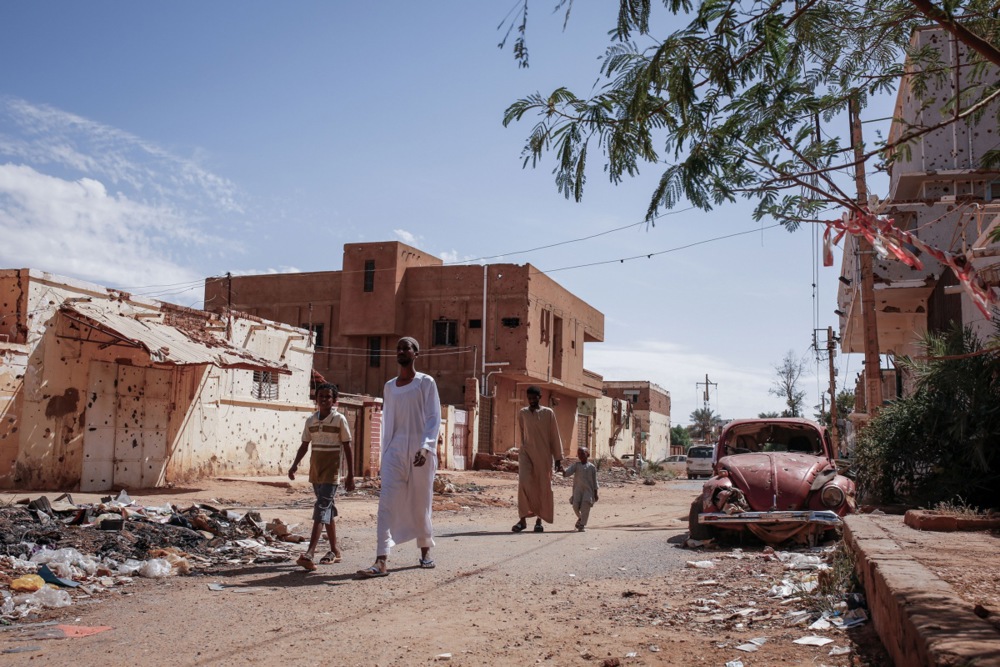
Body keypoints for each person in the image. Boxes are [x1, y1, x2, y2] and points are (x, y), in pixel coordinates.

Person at [358, 337, 441, 577]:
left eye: (407, 347)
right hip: (394, 450)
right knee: (386, 504)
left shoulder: (426, 382)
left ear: (416, 353)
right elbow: (388, 422)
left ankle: (425, 550)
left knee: (421, 502)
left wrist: (426, 447)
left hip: (421, 451)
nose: (402, 350)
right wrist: (385, 454)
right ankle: (381, 559)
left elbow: (434, 417)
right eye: (399, 348)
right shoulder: (389, 386)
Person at [288, 383, 355, 571]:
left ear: (334, 400)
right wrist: (294, 466)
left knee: (321, 508)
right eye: (321, 397)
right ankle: (335, 550)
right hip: (316, 472)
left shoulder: (339, 419)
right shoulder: (310, 421)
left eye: (328, 397)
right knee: (327, 510)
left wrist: (350, 475)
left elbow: (347, 447)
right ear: (316, 399)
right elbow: (304, 446)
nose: (324, 400)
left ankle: (309, 553)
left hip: (331, 473)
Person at [512, 385, 563, 533]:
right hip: (526, 454)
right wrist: (522, 450)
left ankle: (539, 520)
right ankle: (522, 520)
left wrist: (558, 458)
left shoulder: (548, 413)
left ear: (540, 397)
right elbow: (522, 434)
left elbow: (554, 435)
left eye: (534, 398)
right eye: (529, 398)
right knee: (524, 483)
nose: (531, 401)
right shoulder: (523, 413)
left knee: (543, 486)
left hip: (544, 455)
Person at [562, 446, 599, 531]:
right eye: (579, 454)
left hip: (588, 491)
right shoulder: (576, 465)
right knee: (575, 506)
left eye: (582, 453)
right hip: (577, 490)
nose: (580, 455)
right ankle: (580, 518)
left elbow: (595, 481)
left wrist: (595, 493)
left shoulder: (591, 467)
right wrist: (562, 471)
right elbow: (567, 473)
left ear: (587, 454)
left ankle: (582, 524)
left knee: (585, 507)